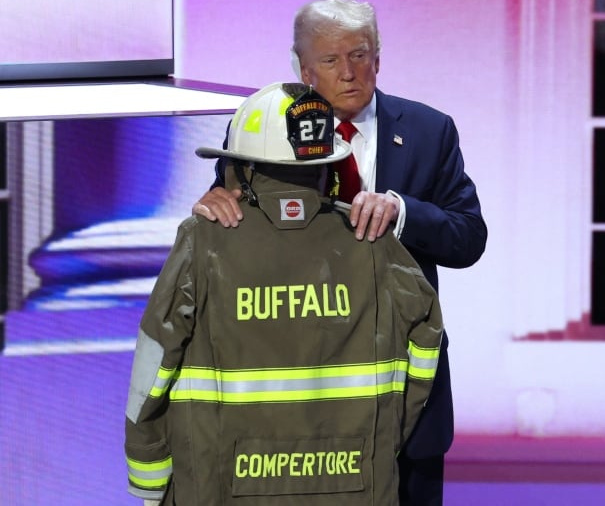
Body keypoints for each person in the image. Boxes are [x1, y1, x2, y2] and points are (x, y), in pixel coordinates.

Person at [194, 0, 488, 505]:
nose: (350, 73)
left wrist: (403, 212)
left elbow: (468, 238)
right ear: (302, 68)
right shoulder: (261, 132)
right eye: (331, 61)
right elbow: (234, 226)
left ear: (379, 57)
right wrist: (214, 203)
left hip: (404, 393)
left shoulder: (428, 130)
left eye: (361, 54)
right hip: (302, 398)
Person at [125, 82, 443, 505]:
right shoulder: (375, 244)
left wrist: (150, 482)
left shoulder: (204, 242)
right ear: (327, 164)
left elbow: (152, 367)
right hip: (351, 482)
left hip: (220, 486)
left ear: (243, 167)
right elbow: (424, 346)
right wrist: (382, 440)